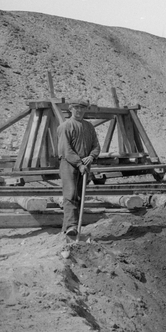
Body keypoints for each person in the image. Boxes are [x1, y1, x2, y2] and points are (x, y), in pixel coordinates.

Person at [58, 99, 101, 236]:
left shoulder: (89, 126)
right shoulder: (65, 126)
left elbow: (96, 145)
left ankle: (71, 228)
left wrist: (92, 156)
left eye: (82, 108)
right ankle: (71, 226)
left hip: (85, 163)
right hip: (68, 163)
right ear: (71, 109)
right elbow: (66, 150)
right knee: (70, 194)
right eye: (76, 108)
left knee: (80, 195)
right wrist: (79, 164)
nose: (79, 111)